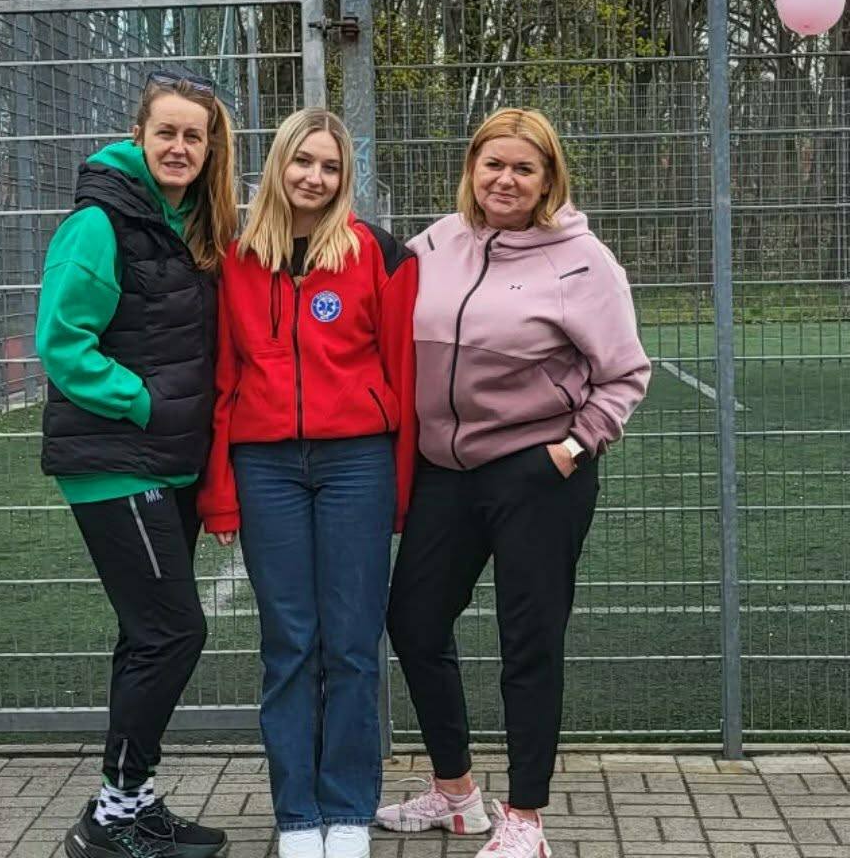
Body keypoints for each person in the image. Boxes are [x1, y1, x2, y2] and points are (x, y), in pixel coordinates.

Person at [378, 108, 650, 858]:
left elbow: (625, 374)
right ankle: (456, 795)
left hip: (538, 475)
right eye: (492, 164)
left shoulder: (584, 262)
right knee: (414, 621)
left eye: (523, 168)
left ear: (548, 178)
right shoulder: (436, 242)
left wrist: (571, 450)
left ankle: (526, 817)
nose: (505, 179)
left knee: (528, 642)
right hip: (445, 472)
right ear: (472, 168)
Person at [198, 109, 418, 858]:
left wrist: (400, 491)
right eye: (303, 162)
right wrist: (220, 493)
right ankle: (297, 816)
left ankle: (349, 809)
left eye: (329, 166)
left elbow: (401, 373)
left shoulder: (376, 253)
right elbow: (225, 380)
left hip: (358, 463)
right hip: (266, 470)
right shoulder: (235, 257)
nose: (314, 178)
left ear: (344, 177)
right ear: (278, 165)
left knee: (352, 642)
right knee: (289, 643)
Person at [36, 72, 237, 858]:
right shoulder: (99, 222)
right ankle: (112, 816)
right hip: (117, 459)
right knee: (173, 632)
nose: (180, 147)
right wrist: (144, 401)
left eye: (194, 136)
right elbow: (63, 343)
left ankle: (131, 802)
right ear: (140, 136)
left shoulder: (190, 222)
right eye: (167, 133)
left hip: (169, 462)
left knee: (146, 633)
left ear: (211, 148)